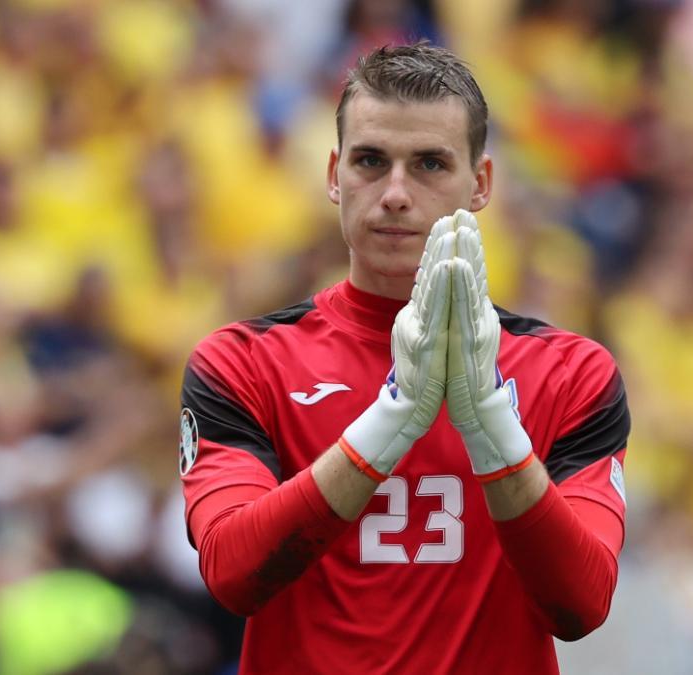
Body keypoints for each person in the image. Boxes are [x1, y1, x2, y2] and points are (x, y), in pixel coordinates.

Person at [179, 42, 631, 674]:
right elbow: (231, 573)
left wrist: (489, 425)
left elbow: (582, 606)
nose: (395, 192)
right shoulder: (242, 362)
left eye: (429, 164)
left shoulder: (573, 375)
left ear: (481, 184)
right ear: (334, 175)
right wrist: (395, 417)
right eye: (371, 161)